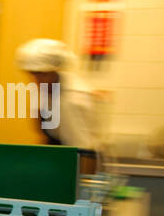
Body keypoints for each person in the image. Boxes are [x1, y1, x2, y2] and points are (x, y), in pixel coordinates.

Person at [15, 38, 101, 171]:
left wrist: (82, 188)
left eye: (41, 74)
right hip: (57, 158)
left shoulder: (74, 98)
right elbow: (43, 132)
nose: (35, 80)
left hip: (79, 162)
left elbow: (85, 153)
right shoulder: (43, 87)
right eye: (31, 74)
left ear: (54, 70)